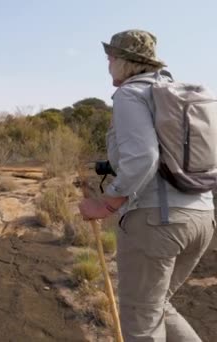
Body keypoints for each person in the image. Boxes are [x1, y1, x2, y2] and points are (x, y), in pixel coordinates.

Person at [78, 29, 215, 341]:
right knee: (156, 306)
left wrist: (106, 202)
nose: (108, 63)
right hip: (202, 217)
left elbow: (143, 158)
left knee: (142, 322)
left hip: (158, 222)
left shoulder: (130, 94)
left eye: (111, 57)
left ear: (126, 61)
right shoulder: (175, 95)